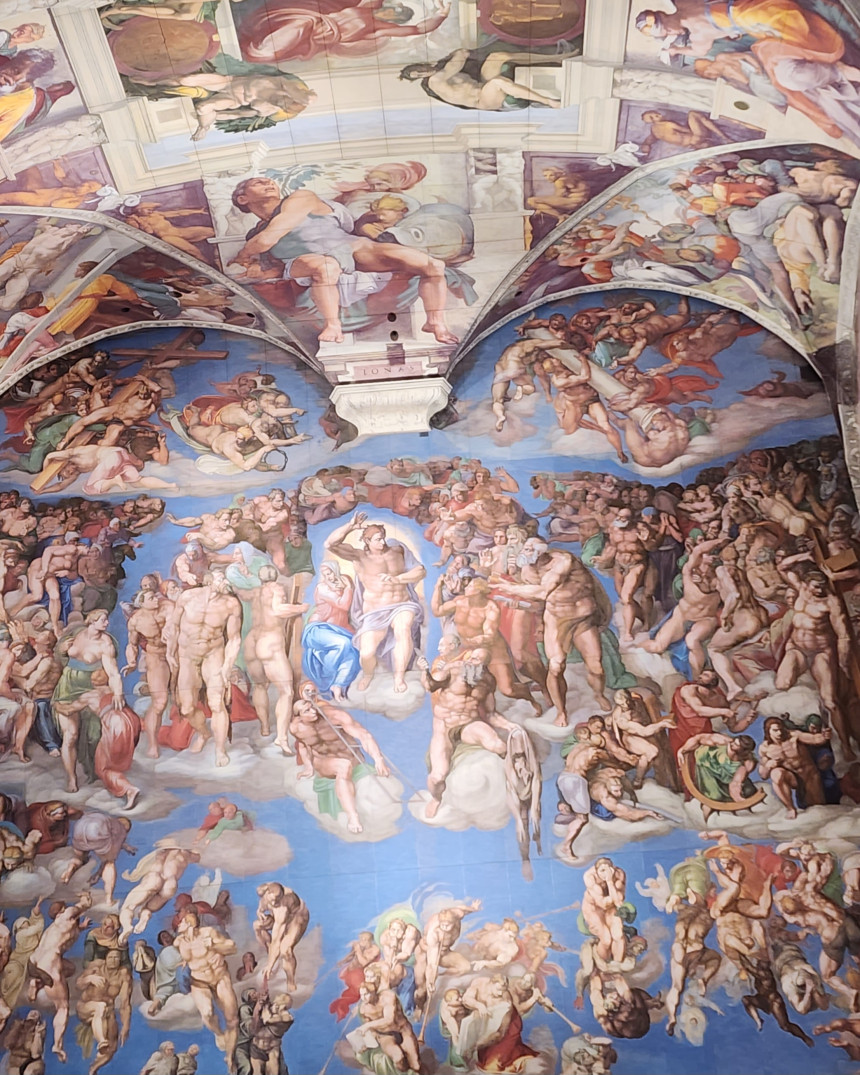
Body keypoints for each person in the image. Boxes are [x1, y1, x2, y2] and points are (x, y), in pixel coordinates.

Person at [230, 179, 457, 346]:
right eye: (258, 183)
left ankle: (435, 321)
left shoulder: (300, 198)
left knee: (433, 266)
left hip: (351, 246)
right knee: (325, 266)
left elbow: (267, 240)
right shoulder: (255, 233)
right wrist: (253, 268)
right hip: (306, 260)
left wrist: (243, 254)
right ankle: (333, 325)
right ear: (243, 199)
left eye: (269, 181)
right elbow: (269, 267)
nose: (268, 183)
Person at [491, 538, 612, 724]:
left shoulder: (562, 561)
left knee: (596, 666)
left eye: (529, 549)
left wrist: (509, 588)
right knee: (555, 667)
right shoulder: (527, 572)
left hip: (582, 618)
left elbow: (543, 592)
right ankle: (561, 711)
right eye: (525, 548)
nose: (524, 552)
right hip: (555, 619)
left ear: (540, 552)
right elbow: (539, 602)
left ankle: (598, 694)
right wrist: (518, 601)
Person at [325, 513, 425, 693]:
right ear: (367, 541)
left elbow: (420, 571)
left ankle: (399, 677)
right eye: (378, 539)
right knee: (366, 652)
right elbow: (330, 544)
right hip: (375, 611)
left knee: (403, 630)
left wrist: (398, 579)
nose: (383, 542)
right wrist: (349, 526)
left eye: (383, 537)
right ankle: (368, 674)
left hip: (402, 604)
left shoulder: (398, 551)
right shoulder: (359, 556)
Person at [417, 643, 516, 819]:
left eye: (476, 659)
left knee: (499, 746)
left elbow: (491, 714)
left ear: (484, 665)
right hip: (444, 727)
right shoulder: (453, 669)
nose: (470, 660)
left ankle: (513, 783)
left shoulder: (487, 681)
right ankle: (436, 799)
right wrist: (424, 671)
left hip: (469, 725)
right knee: (437, 777)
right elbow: (431, 686)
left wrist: (509, 725)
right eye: (470, 656)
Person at [775, 554, 855, 759]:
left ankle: (846, 746)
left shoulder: (831, 602)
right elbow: (782, 567)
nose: (819, 590)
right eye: (815, 586)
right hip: (797, 648)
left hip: (820, 652)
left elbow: (843, 635)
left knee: (831, 701)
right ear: (807, 584)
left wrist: (843, 662)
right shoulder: (801, 589)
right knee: (782, 684)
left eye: (822, 586)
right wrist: (804, 556)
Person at [290, 681, 390, 833]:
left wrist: (378, 759)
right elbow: (303, 745)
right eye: (307, 711)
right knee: (343, 766)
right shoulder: (296, 727)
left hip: (350, 758)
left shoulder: (334, 715)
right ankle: (353, 817)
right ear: (299, 716)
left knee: (347, 765)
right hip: (324, 762)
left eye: (312, 707)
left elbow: (364, 735)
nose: (313, 711)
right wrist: (308, 767)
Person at [168, 570, 243, 765]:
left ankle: (220, 750)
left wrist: (227, 666)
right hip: (187, 655)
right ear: (209, 581)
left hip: (213, 653)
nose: (225, 581)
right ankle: (203, 733)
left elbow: (234, 638)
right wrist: (169, 652)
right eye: (221, 578)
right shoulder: (188, 597)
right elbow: (174, 626)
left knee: (217, 703)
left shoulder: (231, 604)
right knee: (187, 707)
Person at [239, 0, 451, 63]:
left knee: (284, 41)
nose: (392, 13)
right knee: (300, 24)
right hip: (314, 21)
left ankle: (259, 51)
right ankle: (258, 46)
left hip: (315, 37)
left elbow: (417, 29)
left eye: (397, 16)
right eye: (396, 9)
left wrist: (441, 15)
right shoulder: (369, 5)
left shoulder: (378, 28)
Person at [52, 610, 123, 794]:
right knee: (70, 735)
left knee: (94, 735)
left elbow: (113, 672)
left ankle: (99, 769)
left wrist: (118, 693)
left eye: (106, 620)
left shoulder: (105, 643)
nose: (106, 623)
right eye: (103, 620)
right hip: (67, 686)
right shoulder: (75, 633)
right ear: (92, 621)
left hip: (91, 687)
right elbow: (58, 656)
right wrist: (62, 650)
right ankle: (71, 778)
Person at [245, 563, 308, 750]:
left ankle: (265, 727)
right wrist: (300, 608)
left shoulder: (256, 592)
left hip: (253, 641)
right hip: (270, 642)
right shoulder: (276, 588)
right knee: (286, 692)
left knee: (259, 686)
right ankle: (281, 737)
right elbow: (278, 610)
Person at [29, 892, 93, 1065]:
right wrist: (85, 896)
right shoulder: (67, 914)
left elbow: (66, 934)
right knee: (63, 1007)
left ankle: (37, 981)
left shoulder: (55, 928)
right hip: (50, 963)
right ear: (62, 910)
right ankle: (57, 1045)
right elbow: (84, 904)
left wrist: (80, 928)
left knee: (70, 968)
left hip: (35, 962)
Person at [174, 908, 239, 1069]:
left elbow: (232, 948)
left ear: (189, 923)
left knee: (232, 1019)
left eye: (180, 922)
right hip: (199, 981)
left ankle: (230, 1057)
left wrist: (215, 946)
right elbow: (188, 958)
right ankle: (219, 1033)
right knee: (207, 1014)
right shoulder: (179, 942)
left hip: (220, 977)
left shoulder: (208, 933)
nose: (178, 925)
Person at [400, 47, 563, 110]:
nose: (423, 73)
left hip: (483, 86)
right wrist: (458, 54)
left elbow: (461, 56)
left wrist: (456, 54)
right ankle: (548, 102)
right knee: (498, 82)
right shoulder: (435, 80)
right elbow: (458, 62)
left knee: (498, 56)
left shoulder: (440, 66)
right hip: (483, 101)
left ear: (421, 65)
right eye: (418, 75)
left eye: (419, 70)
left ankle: (556, 58)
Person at [301, 560, 360, 702]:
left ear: (336, 572)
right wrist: (348, 588)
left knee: (354, 653)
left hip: (338, 631)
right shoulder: (322, 588)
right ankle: (326, 671)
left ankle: (337, 685)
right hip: (318, 630)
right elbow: (342, 605)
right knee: (344, 644)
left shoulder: (341, 584)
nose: (328, 577)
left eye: (330, 573)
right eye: (325, 574)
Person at [118, 845, 201, 941]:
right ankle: (145, 916)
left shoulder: (168, 844)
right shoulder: (186, 854)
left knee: (128, 907)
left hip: (155, 876)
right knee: (149, 908)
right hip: (171, 883)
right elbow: (198, 857)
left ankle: (127, 927)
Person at [75, 950, 133, 1075]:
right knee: (100, 1006)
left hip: (107, 1012)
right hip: (86, 1007)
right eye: (110, 957)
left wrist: (126, 1026)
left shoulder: (123, 975)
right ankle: (101, 1040)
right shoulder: (96, 966)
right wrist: (89, 978)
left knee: (112, 1047)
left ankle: (93, 1069)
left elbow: (125, 1003)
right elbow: (78, 985)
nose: (113, 960)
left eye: (116, 957)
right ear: (105, 958)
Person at [758, 718, 830, 818]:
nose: (779, 733)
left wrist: (824, 736)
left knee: (817, 809)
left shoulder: (793, 736)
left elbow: (814, 739)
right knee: (776, 773)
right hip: (793, 778)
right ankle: (790, 808)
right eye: (775, 730)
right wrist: (768, 765)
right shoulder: (765, 748)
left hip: (809, 774)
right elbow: (763, 775)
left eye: (780, 729)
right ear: (768, 731)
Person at [254, 882, 309, 993]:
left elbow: (276, 940)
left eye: (277, 901)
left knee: (285, 950)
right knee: (257, 926)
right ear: (267, 893)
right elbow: (262, 907)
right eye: (272, 900)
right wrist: (259, 911)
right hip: (279, 917)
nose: (274, 903)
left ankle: (291, 982)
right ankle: (270, 953)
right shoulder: (263, 891)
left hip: (297, 917)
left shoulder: (282, 908)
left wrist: (269, 966)